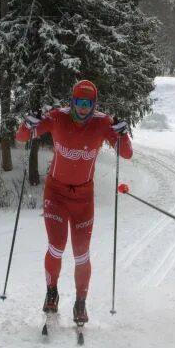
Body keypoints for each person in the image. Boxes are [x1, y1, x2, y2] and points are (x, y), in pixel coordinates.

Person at [14, 79, 132, 325]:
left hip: (83, 198)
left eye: (88, 103)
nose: (82, 108)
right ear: (72, 101)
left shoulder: (102, 123)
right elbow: (22, 137)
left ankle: (80, 302)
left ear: (94, 104)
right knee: (56, 246)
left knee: (81, 254)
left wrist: (123, 134)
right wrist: (28, 123)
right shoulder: (58, 118)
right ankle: (51, 293)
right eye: (79, 102)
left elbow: (126, 153)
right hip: (55, 194)